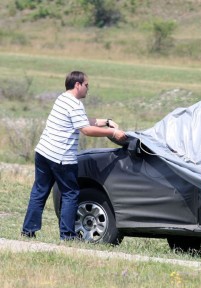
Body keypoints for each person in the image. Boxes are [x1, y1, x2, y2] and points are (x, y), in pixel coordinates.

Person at [21, 71, 127, 241]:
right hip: (61, 157)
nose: (87, 89)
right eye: (86, 85)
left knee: (39, 192)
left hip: (43, 152)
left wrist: (107, 121)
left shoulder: (62, 99)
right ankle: (67, 235)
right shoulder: (75, 104)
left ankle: (28, 231)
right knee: (70, 194)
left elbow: (84, 121)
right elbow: (86, 129)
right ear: (77, 85)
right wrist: (113, 132)